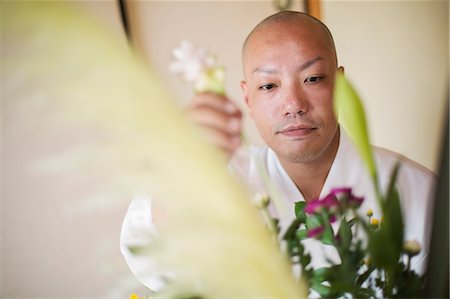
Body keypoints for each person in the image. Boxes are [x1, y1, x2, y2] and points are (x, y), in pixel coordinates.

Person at [121, 10, 436, 291]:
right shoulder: (223, 180)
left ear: (340, 84)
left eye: (312, 78)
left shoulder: (420, 192)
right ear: (248, 98)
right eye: (269, 86)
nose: (294, 106)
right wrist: (188, 171)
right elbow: (152, 262)